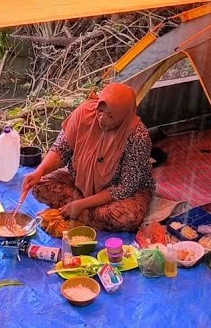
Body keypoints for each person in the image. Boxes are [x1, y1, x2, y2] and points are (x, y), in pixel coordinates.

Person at [19, 83, 155, 232]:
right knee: (39, 186)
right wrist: (39, 171)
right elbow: (61, 149)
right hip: (80, 181)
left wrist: (81, 205)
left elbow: (124, 188)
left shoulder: (137, 136)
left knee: (127, 217)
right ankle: (83, 213)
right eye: (100, 110)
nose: (102, 118)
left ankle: (75, 213)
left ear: (123, 116)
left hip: (118, 193)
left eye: (110, 116)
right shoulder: (84, 113)